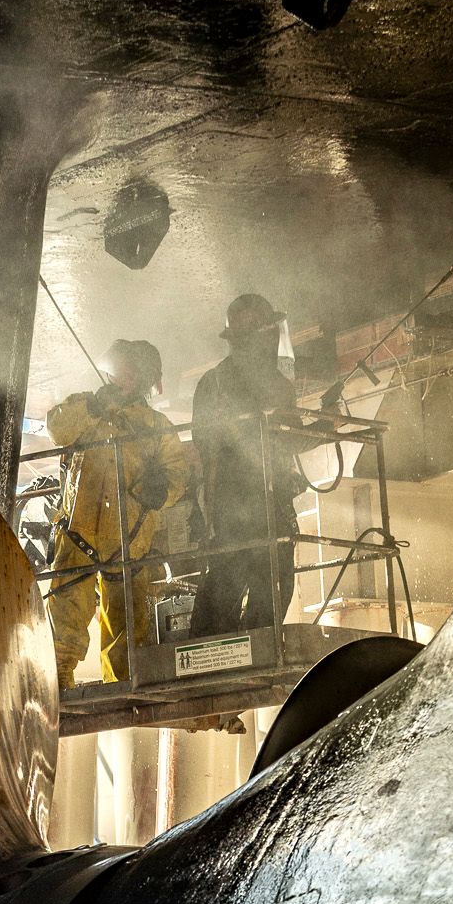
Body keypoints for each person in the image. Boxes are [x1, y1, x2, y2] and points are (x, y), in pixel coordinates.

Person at [45, 339, 194, 688]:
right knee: (66, 611)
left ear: (143, 378)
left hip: (128, 539)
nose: (122, 378)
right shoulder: (87, 408)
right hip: (78, 531)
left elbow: (177, 474)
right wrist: (93, 405)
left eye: (130, 371)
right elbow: (56, 427)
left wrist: (163, 488)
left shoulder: (157, 426)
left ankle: (123, 687)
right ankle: (57, 683)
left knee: (127, 622)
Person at [190, 292, 304, 639]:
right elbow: (206, 448)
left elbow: (289, 439)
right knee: (225, 585)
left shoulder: (279, 385)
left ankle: (260, 652)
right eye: (267, 330)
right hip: (233, 503)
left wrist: (320, 428)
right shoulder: (216, 383)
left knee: (277, 582)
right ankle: (208, 654)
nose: (272, 338)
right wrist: (207, 511)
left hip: (274, 502)